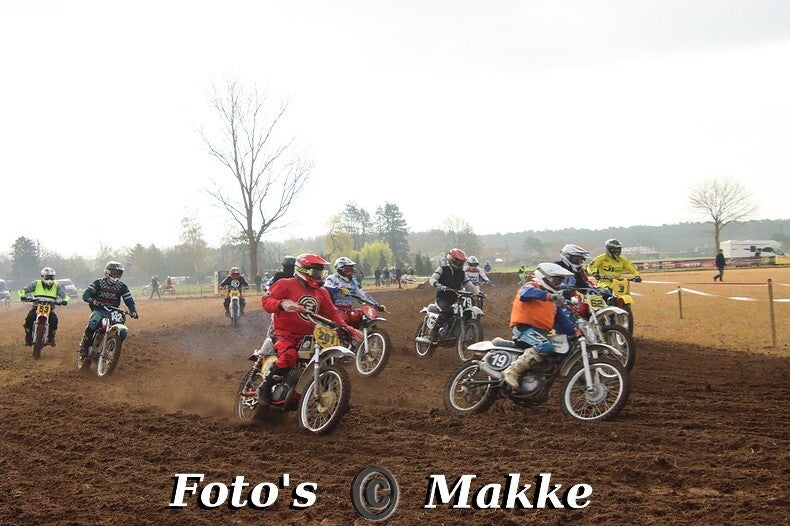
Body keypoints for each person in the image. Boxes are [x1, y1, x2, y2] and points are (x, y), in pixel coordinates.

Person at [257, 253, 362, 405]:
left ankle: (335, 399)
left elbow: (333, 314)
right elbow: (267, 300)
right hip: (283, 332)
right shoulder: (285, 284)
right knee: (289, 356)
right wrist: (282, 304)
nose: (319, 275)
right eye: (315, 272)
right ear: (303, 270)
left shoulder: (321, 292)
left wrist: (349, 329)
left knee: (325, 357)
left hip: (307, 336)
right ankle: (265, 387)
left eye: (321, 272)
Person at [501, 262, 576, 389]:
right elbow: (525, 294)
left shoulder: (553, 302)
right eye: (556, 280)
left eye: (560, 280)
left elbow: (565, 325)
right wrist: (549, 296)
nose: (558, 283)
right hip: (524, 329)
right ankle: (512, 371)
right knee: (545, 346)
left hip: (541, 333)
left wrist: (578, 330)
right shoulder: (531, 286)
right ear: (544, 277)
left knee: (564, 347)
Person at [77, 261, 139, 357]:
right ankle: (84, 346)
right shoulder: (99, 283)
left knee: (122, 331)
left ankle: (111, 348)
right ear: (108, 272)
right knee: (94, 321)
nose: (117, 275)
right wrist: (90, 299)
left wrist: (133, 311)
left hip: (114, 311)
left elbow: (129, 300)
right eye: (115, 272)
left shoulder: (122, 287)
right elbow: (87, 293)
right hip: (100, 309)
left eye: (119, 273)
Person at [426, 248, 479, 341]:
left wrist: (479, 293)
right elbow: (433, 278)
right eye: (458, 262)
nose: (460, 264)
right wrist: (436, 284)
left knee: (463, 311)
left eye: (462, 262)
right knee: (447, 311)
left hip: (455, 299)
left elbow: (469, 285)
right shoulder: (442, 269)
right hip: (442, 298)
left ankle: (454, 332)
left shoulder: (462, 274)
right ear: (451, 260)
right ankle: (433, 332)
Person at [18, 266, 69, 346]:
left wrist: (65, 300)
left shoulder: (57, 285)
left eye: (51, 277)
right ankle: (28, 337)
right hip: (37, 306)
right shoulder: (36, 283)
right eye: (47, 277)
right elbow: (22, 290)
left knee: (54, 320)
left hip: (50, 308)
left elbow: (65, 296)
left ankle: (51, 338)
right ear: (42, 276)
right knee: (29, 319)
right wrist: (22, 295)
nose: (49, 279)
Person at [324, 257, 382, 325]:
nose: (350, 272)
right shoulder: (332, 278)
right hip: (335, 309)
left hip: (349, 310)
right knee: (343, 322)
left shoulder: (353, 282)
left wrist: (376, 305)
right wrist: (338, 289)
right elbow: (326, 287)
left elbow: (362, 294)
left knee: (360, 316)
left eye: (351, 269)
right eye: (347, 270)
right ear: (339, 270)